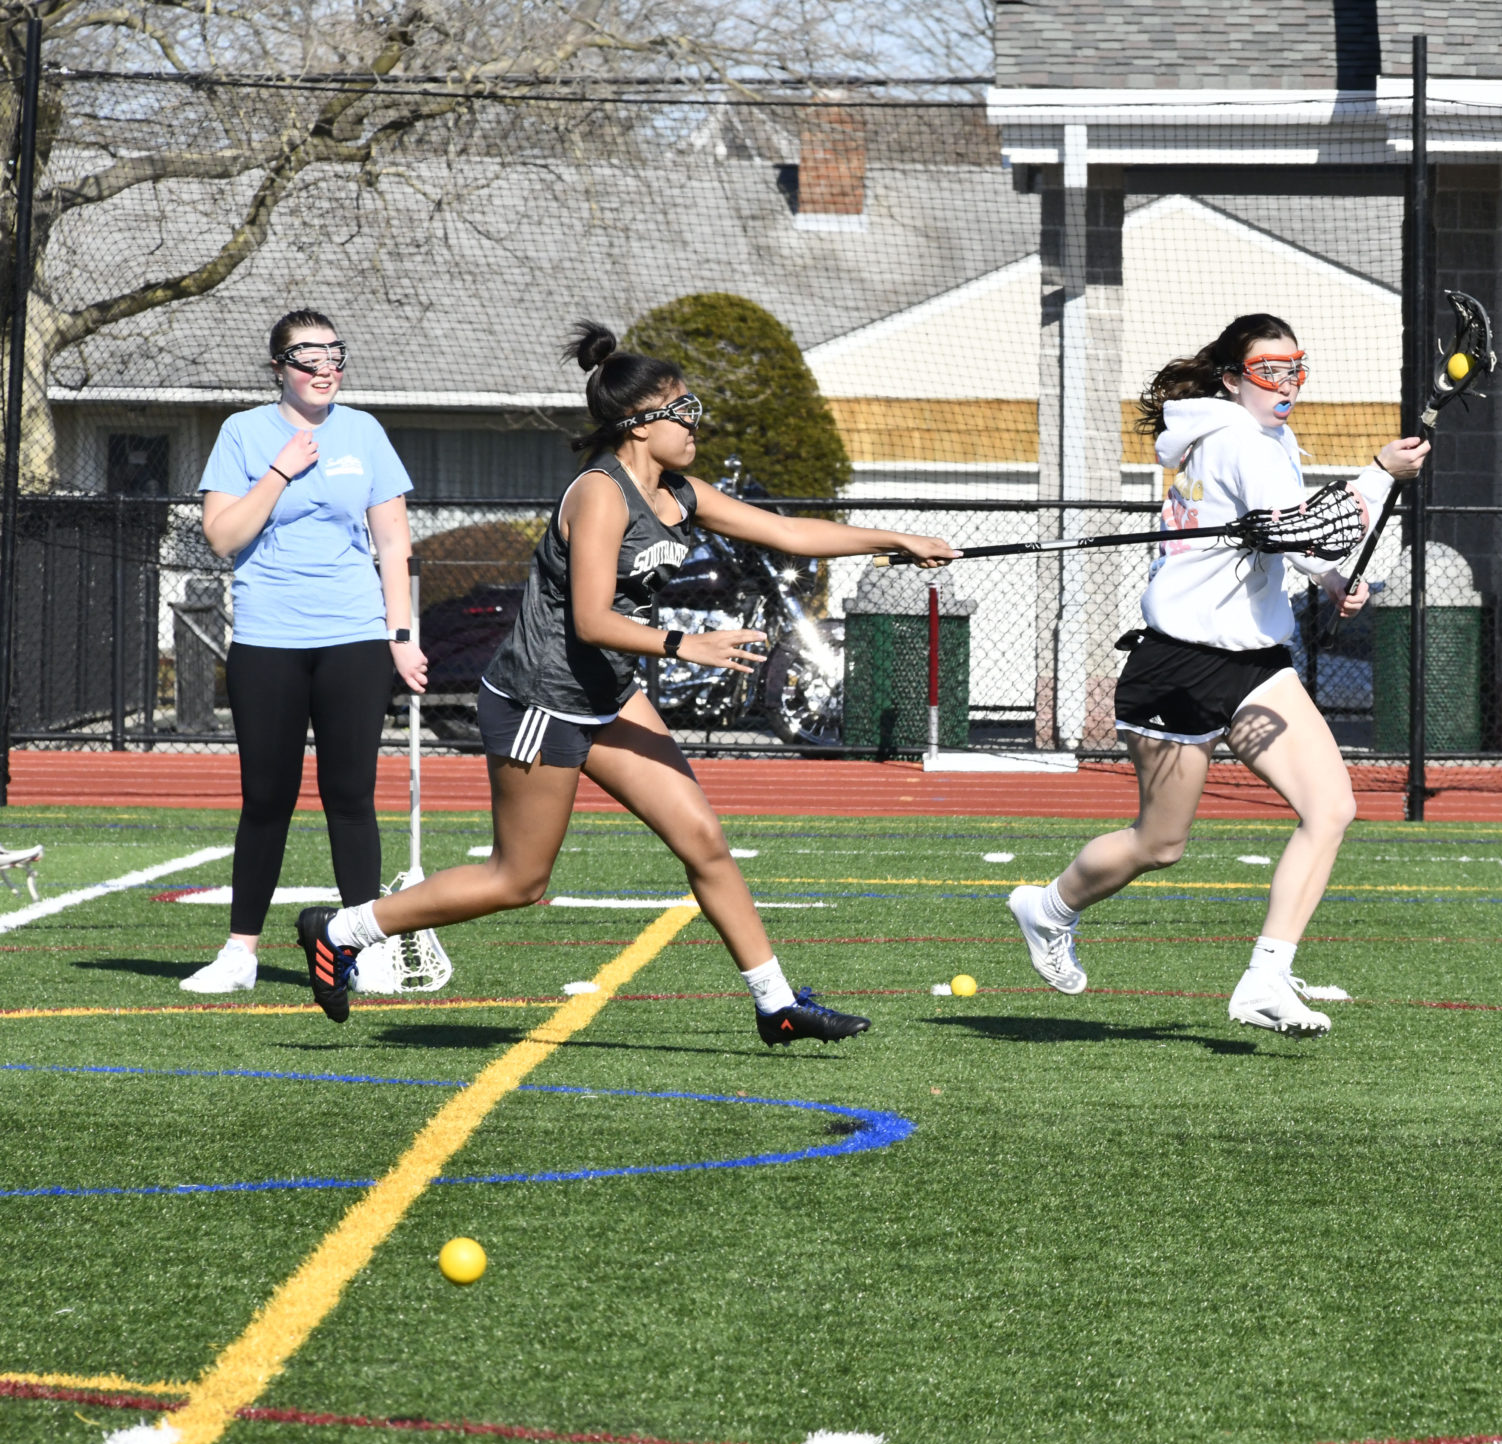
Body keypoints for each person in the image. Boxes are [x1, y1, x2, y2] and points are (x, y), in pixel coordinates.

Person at [296, 321, 955, 1042]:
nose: (694, 422)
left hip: (606, 693)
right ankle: (344, 927)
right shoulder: (600, 496)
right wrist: (686, 644)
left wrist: (896, 540)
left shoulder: (681, 493)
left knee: (702, 836)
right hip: (541, 700)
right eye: (683, 409)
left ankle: (776, 1004)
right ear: (640, 426)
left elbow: (787, 532)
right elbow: (589, 619)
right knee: (519, 879)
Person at [1006, 313, 1426, 1034]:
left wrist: (1328, 578)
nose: (1286, 382)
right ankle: (1046, 908)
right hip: (1180, 662)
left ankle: (1265, 976)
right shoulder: (1236, 439)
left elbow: (1288, 538)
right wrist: (1379, 474)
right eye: (1269, 369)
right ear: (1233, 379)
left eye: (1295, 366)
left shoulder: (1269, 440)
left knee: (1330, 808)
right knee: (1160, 844)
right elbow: (1298, 525)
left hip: (1254, 662)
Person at [182, 310, 422, 994]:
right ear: (279, 367)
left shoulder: (365, 432)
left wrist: (400, 637)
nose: (325, 366)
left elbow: (395, 544)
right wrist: (280, 472)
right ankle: (239, 953)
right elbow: (223, 538)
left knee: (351, 795)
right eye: (308, 355)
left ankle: (363, 946)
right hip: (267, 640)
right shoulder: (243, 433)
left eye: (334, 353)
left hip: (354, 637)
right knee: (266, 799)